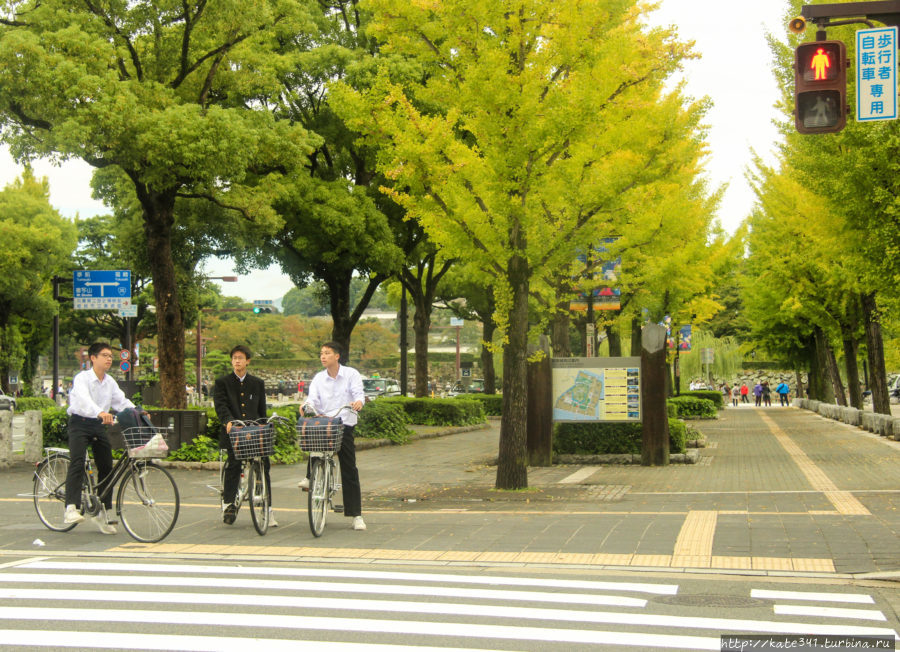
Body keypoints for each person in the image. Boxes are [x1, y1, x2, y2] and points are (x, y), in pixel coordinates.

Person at [64, 341, 136, 534]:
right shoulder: (82, 378)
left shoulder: (109, 381)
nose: (109, 359)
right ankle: (70, 507)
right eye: (104, 355)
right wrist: (100, 412)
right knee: (77, 462)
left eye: (110, 356)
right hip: (79, 423)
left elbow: (121, 401)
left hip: (98, 425)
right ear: (93, 358)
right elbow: (84, 400)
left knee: (106, 466)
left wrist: (138, 411)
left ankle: (102, 511)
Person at [300, 341, 366, 531]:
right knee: (313, 440)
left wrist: (359, 402)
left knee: (349, 468)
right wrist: (306, 405)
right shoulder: (319, 378)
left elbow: (358, 393)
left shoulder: (351, 374)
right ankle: (310, 476)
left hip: (344, 422)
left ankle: (356, 515)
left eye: (327, 353)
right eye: (321, 353)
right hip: (324, 422)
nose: (323, 356)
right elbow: (313, 398)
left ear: (337, 356)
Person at [214, 345, 275, 527]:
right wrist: (228, 421)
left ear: (247, 360)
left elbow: (261, 409)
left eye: (240, 358)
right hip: (234, 432)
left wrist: (263, 424)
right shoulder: (222, 382)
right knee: (233, 465)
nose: (237, 361)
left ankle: (267, 508)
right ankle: (229, 503)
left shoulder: (257, 383)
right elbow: (221, 405)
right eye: (234, 358)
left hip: (254, 432)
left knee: (264, 465)